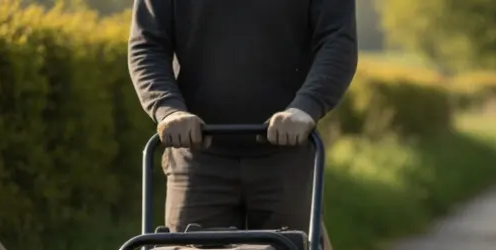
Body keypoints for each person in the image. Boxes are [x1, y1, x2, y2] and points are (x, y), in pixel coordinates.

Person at [127, 0, 358, 234]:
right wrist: (168, 108)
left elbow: (337, 41)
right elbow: (148, 45)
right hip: (198, 156)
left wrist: (308, 106)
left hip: (287, 154)